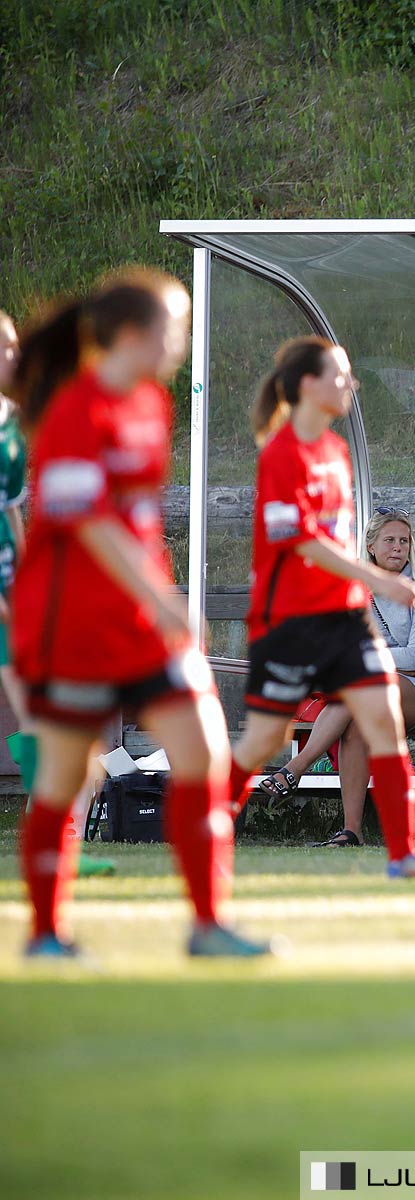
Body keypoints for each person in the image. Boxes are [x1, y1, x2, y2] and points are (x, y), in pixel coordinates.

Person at [11, 269, 268, 958]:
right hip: (74, 630)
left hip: (142, 628)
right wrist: (163, 600)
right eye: (174, 328)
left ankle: (209, 926)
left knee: (206, 756)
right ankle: (45, 934)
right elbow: (89, 522)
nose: (181, 342)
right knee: (67, 781)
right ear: (133, 334)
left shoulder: (151, 404)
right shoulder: (72, 410)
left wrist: (163, 601)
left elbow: (139, 525)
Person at [222, 337, 415, 880]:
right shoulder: (282, 453)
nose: (352, 385)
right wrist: (379, 580)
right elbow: (301, 542)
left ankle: (405, 856)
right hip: (290, 620)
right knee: (262, 739)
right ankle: (207, 824)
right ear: (308, 385)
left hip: (342, 620)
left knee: (379, 720)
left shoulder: (336, 452)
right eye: (342, 375)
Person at [0, 311, 115, 880]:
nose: (12, 355)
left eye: (14, 344)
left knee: (58, 725)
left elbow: (14, 510)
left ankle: (60, 838)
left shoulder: (15, 428)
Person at [262, 510, 415, 847]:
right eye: (390, 541)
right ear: (371, 546)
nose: (398, 548)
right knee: (355, 723)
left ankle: (296, 768)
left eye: (404, 541)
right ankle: (351, 831)